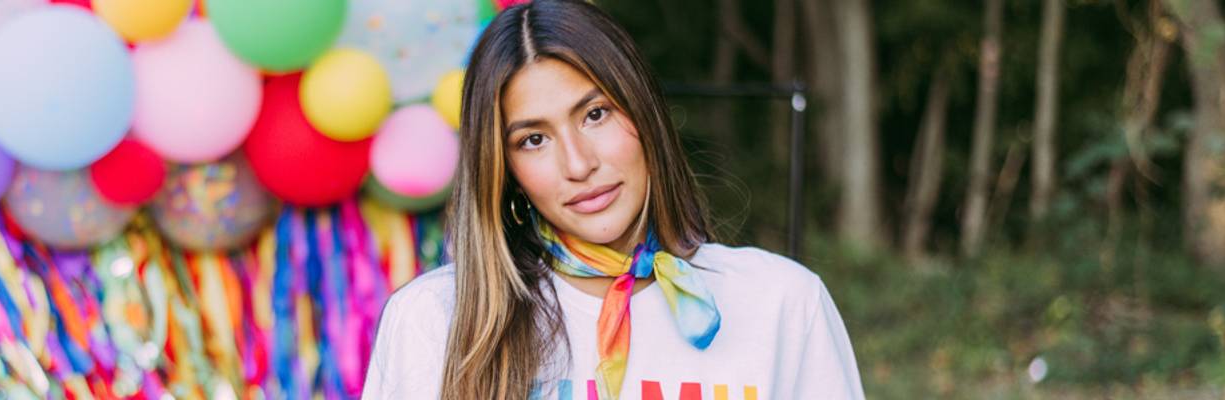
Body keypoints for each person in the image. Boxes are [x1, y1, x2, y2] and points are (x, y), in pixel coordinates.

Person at [362, 1, 863, 399]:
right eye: (534, 139)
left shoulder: (782, 303)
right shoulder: (435, 321)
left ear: (644, 112)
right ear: (506, 172)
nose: (578, 164)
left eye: (596, 114)